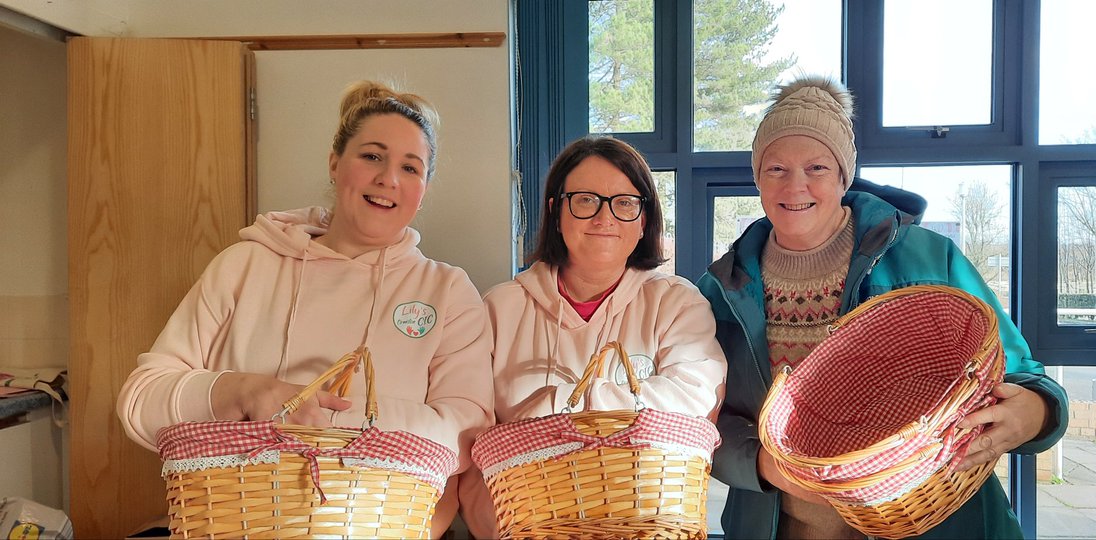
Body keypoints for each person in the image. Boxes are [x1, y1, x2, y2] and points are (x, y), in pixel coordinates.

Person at [116, 80, 494, 538]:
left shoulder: (447, 291)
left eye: (410, 168)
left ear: (424, 188)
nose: (388, 179)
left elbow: (466, 433)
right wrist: (242, 392)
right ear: (335, 164)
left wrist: (317, 415)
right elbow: (140, 401)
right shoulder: (245, 264)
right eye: (372, 156)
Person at [696, 75, 1069, 539]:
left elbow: (1022, 374)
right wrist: (761, 464)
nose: (796, 186)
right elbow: (702, 419)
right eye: (776, 169)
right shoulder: (721, 289)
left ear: (843, 175)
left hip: (939, 523)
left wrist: (1035, 413)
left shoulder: (930, 258)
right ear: (757, 177)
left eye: (816, 168)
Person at [454, 135, 728, 538]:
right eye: (585, 200)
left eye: (625, 203)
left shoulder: (677, 304)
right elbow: (472, 438)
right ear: (556, 211)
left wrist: (552, 411)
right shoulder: (499, 309)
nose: (605, 219)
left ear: (644, 221)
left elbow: (694, 408)